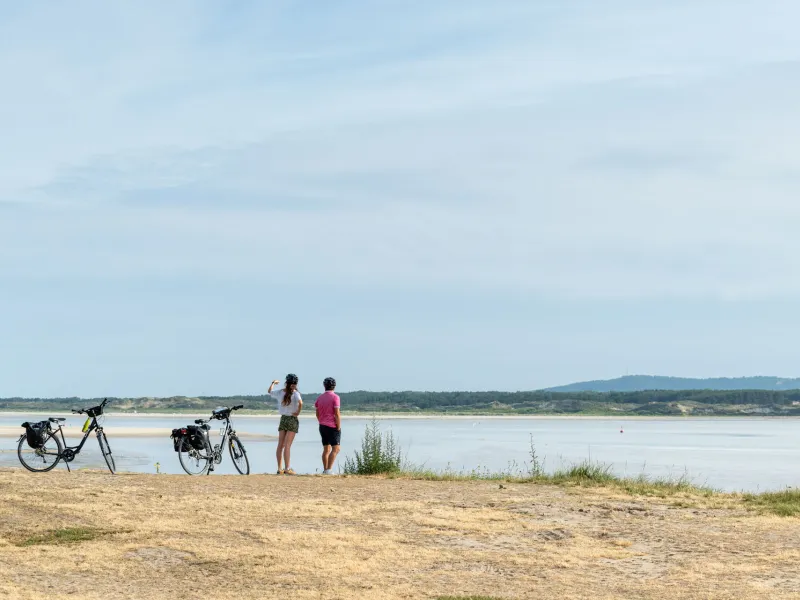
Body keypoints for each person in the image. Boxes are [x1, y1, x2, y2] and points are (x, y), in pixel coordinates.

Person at [268, 373, 302, 475]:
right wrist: (298, 412)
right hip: (292, 419)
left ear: (286, 383)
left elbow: (269, 391)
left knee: (280, 445)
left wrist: (273, 383)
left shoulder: (280, 392)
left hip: (283, 419)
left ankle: (279, 468)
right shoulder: (295, 393)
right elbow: (301, 403)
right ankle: (287, 468)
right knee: (287, 445)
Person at [315, 377, 341, 475]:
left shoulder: (320, 398)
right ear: (334, 386)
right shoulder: (335, 397)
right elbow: (337, 414)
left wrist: (321, 421)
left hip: (322, 426)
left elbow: (317, 413)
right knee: (336, 448)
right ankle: (329, 470)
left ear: (324, 386)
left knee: (326, 449)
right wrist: (338, 427)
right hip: (332, 426)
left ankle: (325, 470)